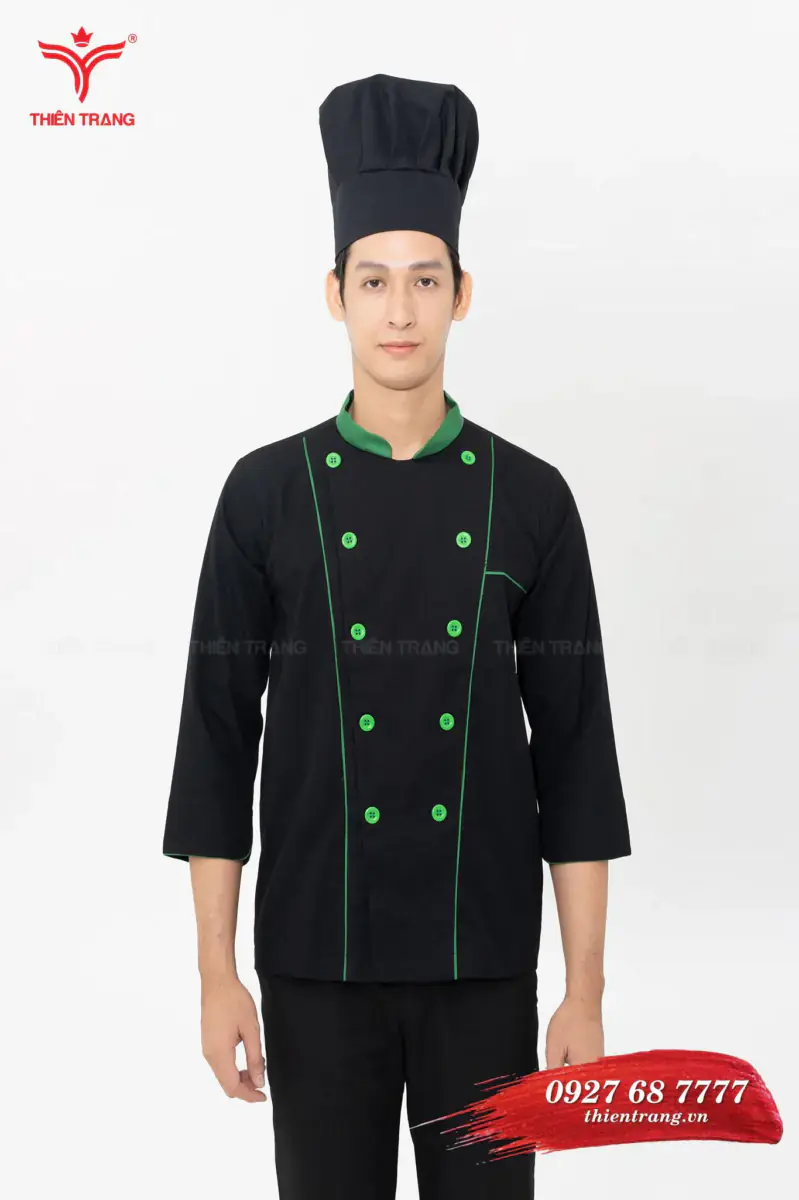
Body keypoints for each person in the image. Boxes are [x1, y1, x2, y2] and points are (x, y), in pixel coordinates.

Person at [162, 72, 631, 1200]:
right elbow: (216, 745)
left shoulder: (532, 498)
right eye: (373, 281)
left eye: (425, 280)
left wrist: (582, 990)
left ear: (462, 294)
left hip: (483, 963)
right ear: (335, 295)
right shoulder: (264, 495)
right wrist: (217, 975)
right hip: (314, 958)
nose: (400, 311)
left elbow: (576, 757)